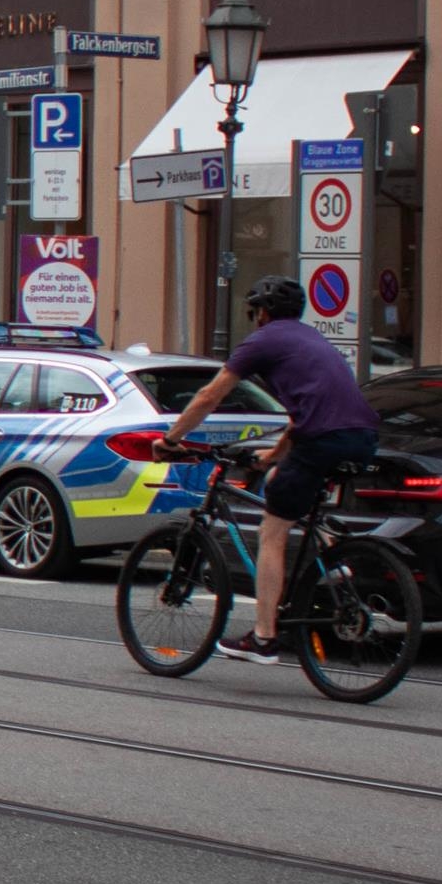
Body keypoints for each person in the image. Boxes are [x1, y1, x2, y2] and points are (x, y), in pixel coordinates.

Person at [160, 275, 378, 665]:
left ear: (261, 312)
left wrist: (172, 439)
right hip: (362, 436)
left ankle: (263, 639)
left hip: (322, 440)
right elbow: (308, 413)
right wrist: (272, 456)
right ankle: (333, 563)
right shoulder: (313, 339)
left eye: (254, 311)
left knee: (272, 531)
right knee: (281, 480)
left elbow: (211, 394)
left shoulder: (264, 340)